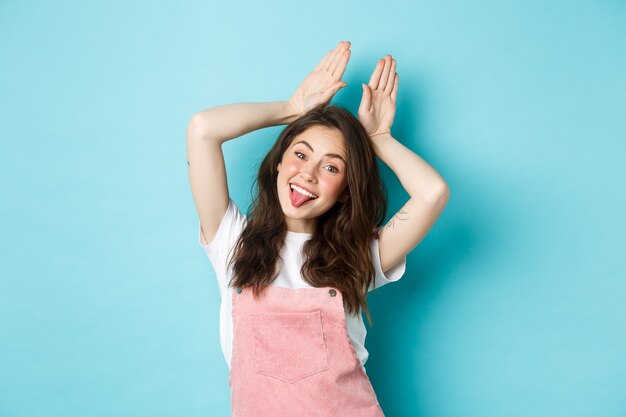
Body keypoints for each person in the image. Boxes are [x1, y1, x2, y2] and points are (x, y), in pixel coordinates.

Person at [186, 40, 450, 417]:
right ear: (278, 163)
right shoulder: (232, 242)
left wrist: (378, 139)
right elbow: (202, 129)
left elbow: (432, 193)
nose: (307, 174)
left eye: (331, 167)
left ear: (345, 192)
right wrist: (291, 110)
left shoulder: (361, 255)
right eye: (300, 154)